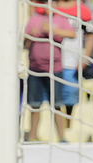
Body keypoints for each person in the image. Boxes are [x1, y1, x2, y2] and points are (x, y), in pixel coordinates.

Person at [24, 0, 75, 142]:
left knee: (57, 104)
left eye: (51, 2)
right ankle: (33, 136)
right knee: (34, 105)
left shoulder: (60, 19)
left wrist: (53, 30)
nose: (48, 5)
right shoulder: (35, 18)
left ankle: (62, 137)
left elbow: (72, 34)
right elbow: (23, 40)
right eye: (46, 2)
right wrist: (29, 36)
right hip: (35, 69)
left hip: (55, 70)